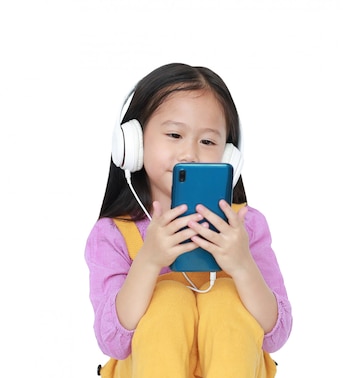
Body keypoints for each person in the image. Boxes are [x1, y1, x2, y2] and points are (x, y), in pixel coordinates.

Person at [85, 62, 292, 378]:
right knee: (168, 300)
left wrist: (242, 264)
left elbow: (275, 335)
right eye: (174, 134)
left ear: (229, 156)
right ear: (132, 144)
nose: (190, 153)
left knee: (225, 299)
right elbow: (112, 340)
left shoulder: (246, 227)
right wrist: (150, 261)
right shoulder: (113, 234)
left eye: (207, 141)